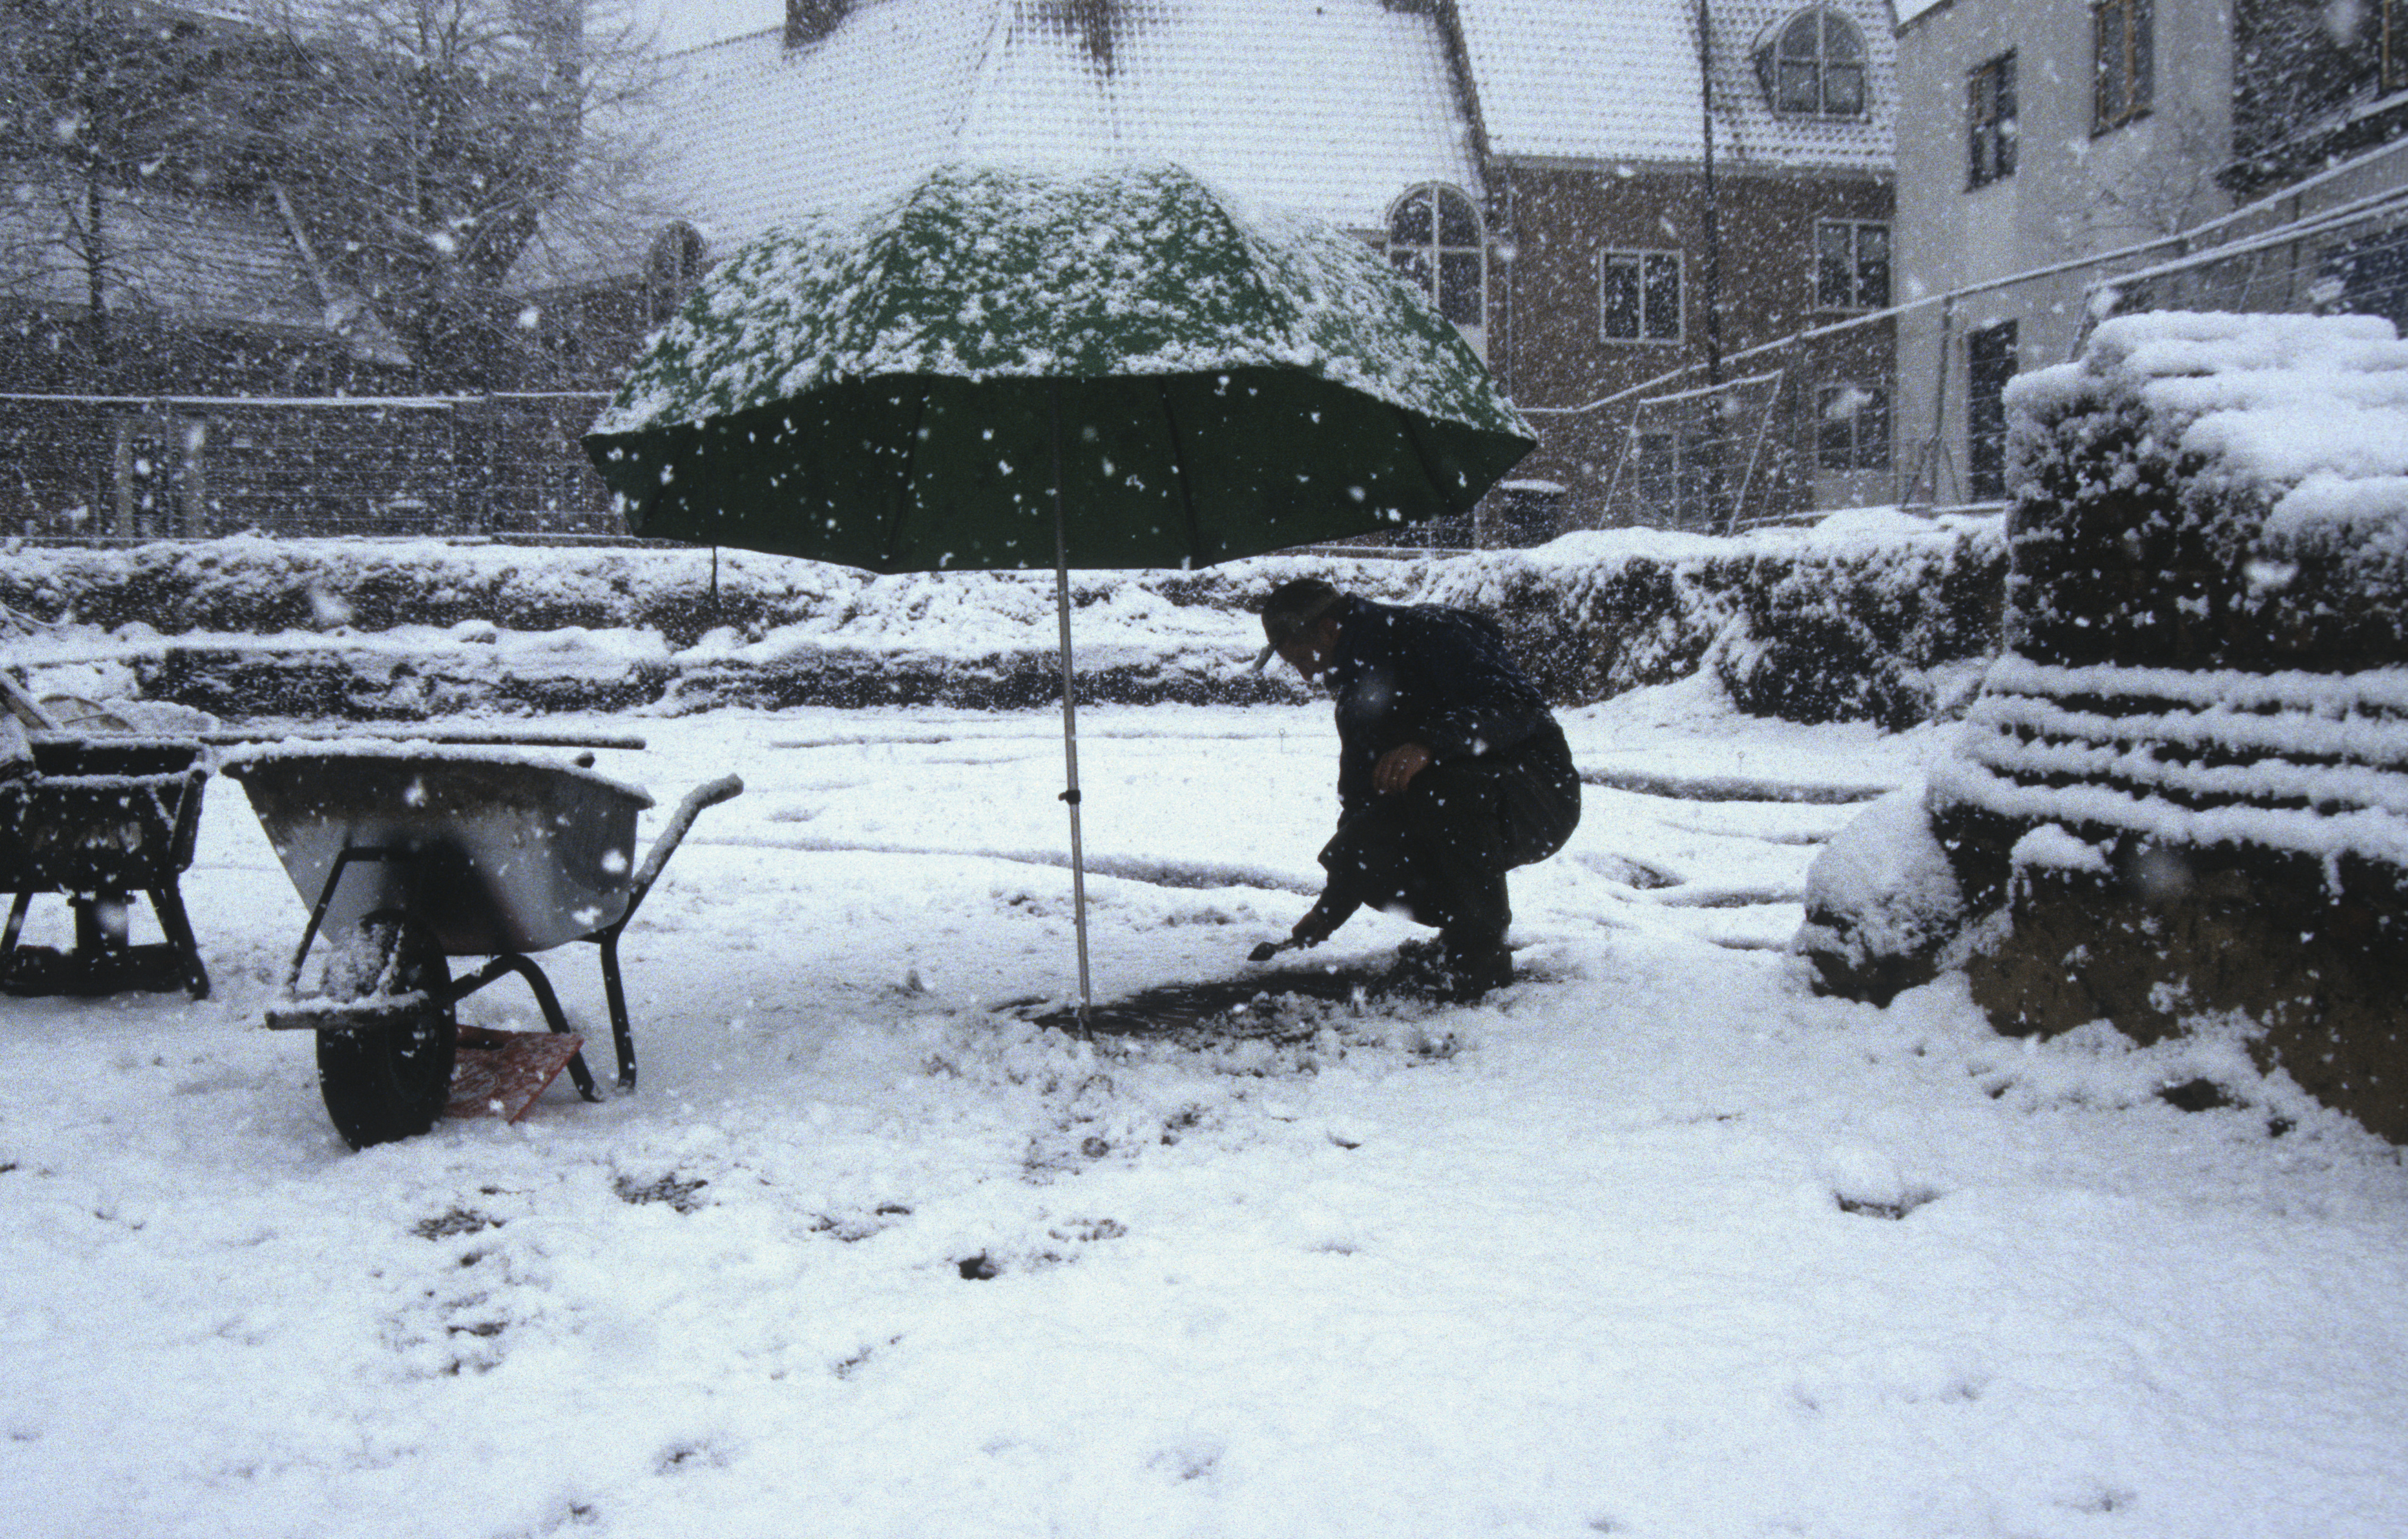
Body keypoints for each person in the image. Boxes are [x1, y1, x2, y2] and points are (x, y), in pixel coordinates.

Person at [1255, 576, 1581, 998]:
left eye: (1302, 658)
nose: (1304, 676)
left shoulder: (1430, 632)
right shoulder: (1356, 699)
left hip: (1539, 795)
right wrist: (1329, 910)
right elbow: (1360, 803)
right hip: (1458, 804)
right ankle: (1460, 929)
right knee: (1355, 849)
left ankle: (1479, 958)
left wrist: (1430, 744)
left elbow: (1519, 709)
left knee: (1440, 785)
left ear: (1329, 630)